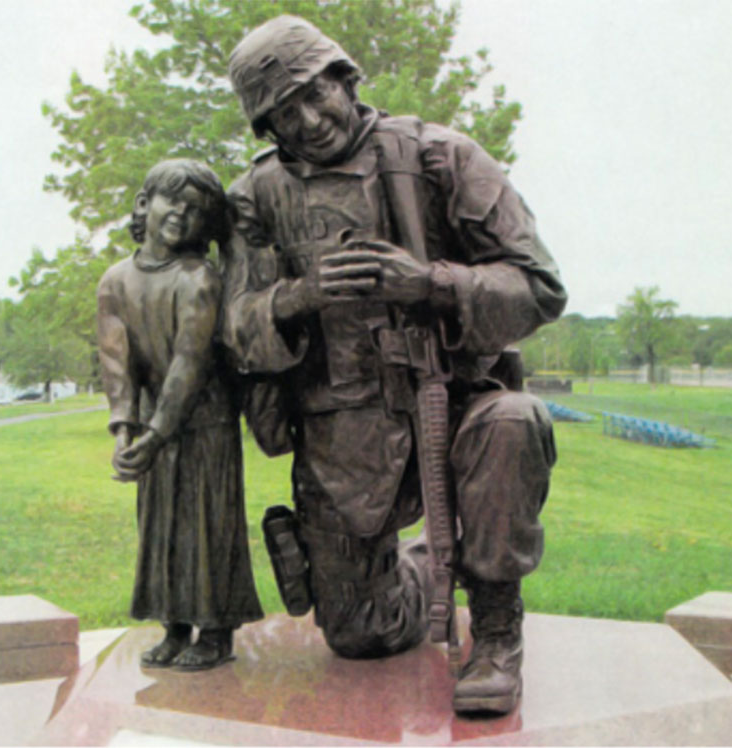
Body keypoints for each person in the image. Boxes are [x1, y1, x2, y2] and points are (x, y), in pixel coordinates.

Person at [222, 16, 566, 713]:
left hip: (458, 398)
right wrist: (299, 296)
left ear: (344, 79)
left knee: (512, 423)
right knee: (361, 635)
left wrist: (431, 283)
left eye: (317, 95)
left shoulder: (440, 157)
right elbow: (234, 329)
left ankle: (496, 632)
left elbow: (539, 287)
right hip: (344, 428)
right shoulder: (256, 198)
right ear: (268, 129)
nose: (311, 121)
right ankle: (417, 566)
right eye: (286, 115)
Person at [97, 158, 263, 671]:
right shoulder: (115, 280)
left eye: (197, 210)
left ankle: (215, 632)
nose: (182, 215)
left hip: (204, 422)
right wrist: (126, 428)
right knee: (160, 526)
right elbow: (115, 361)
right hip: (152, 423)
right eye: (174, 201)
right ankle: (173, 625)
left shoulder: (199, 279)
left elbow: (190, 360)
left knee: (207, 525)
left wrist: (159, 430)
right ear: (145, 204)